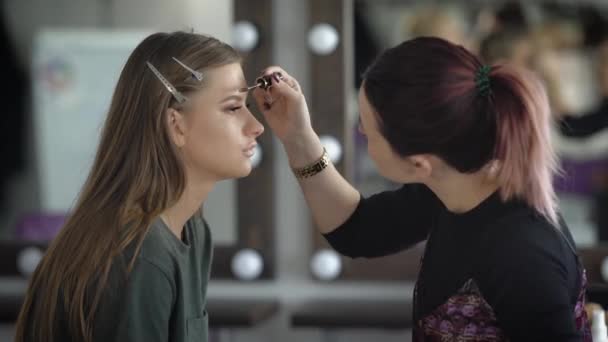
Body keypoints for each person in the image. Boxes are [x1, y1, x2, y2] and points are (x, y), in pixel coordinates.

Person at [254, 37, 591, 340]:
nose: (360, 130)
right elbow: (357, 230)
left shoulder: (522, 255)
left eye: (368, 133)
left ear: (419, 163)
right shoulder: (453, 188)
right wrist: (298, 136)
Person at [15, 31, 264, 342]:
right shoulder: (141, 255)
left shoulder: (193, 232)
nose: (256, 126)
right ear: (176, 125)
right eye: (232, 107)